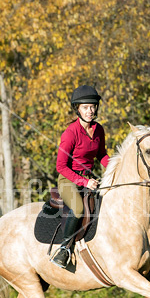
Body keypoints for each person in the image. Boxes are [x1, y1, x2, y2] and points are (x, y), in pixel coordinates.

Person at [51, 85, 110, 268]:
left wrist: (117, 168)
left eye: (92, 106)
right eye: (85, 107)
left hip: (89, 179)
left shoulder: (98, 130)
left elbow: (102, 155)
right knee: (77, 209)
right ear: (77, 109)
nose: (90, 111)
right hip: (68, 179)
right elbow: (60, 166)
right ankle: (64, 249)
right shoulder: (70, 133)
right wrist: (84, 181)